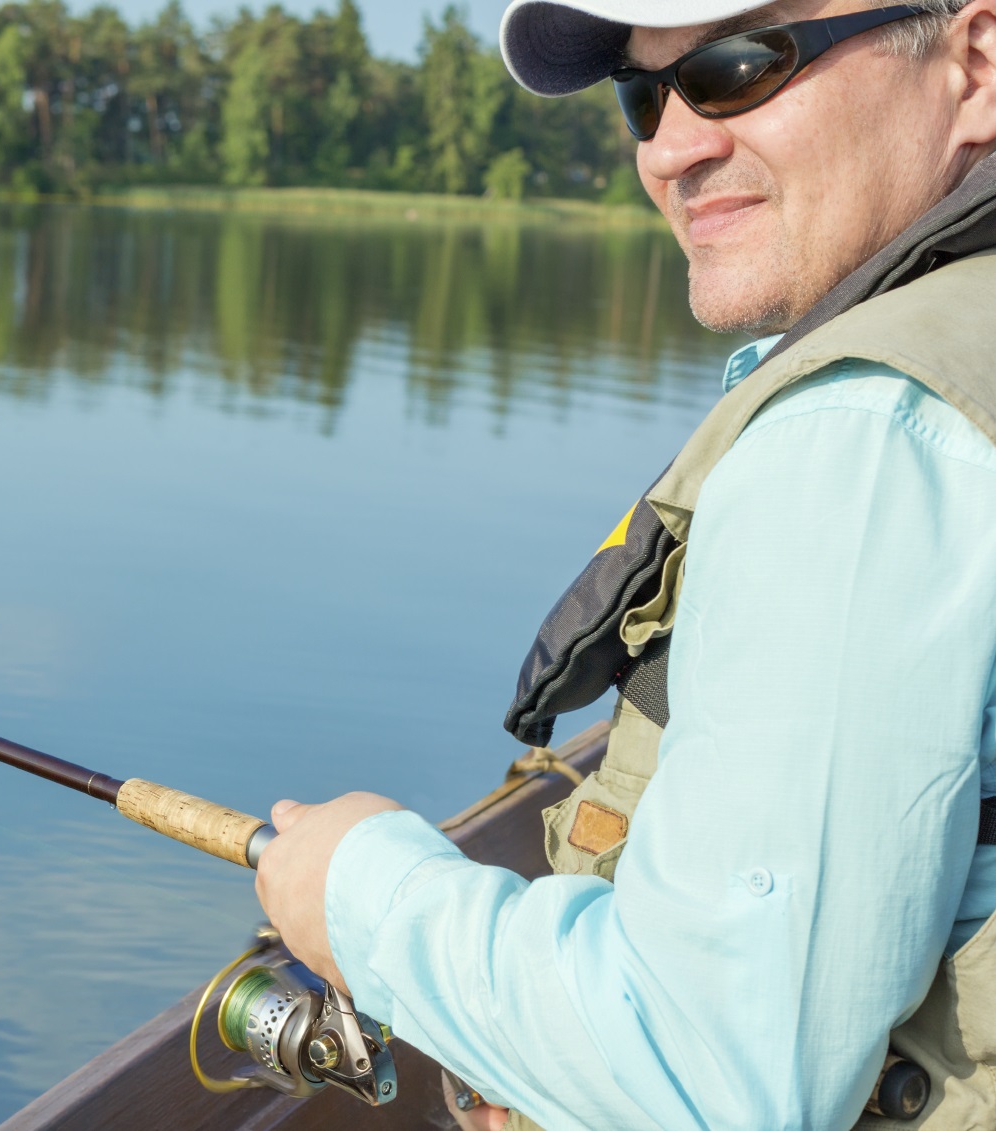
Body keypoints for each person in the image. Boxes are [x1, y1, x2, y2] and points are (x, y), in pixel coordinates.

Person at [253, 0, 996, 1127]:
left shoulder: (861, 439)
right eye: (644, 95)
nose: (669, 148)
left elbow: (712, 1077)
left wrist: (356, 893)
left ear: (975, 65)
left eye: (743, 66)